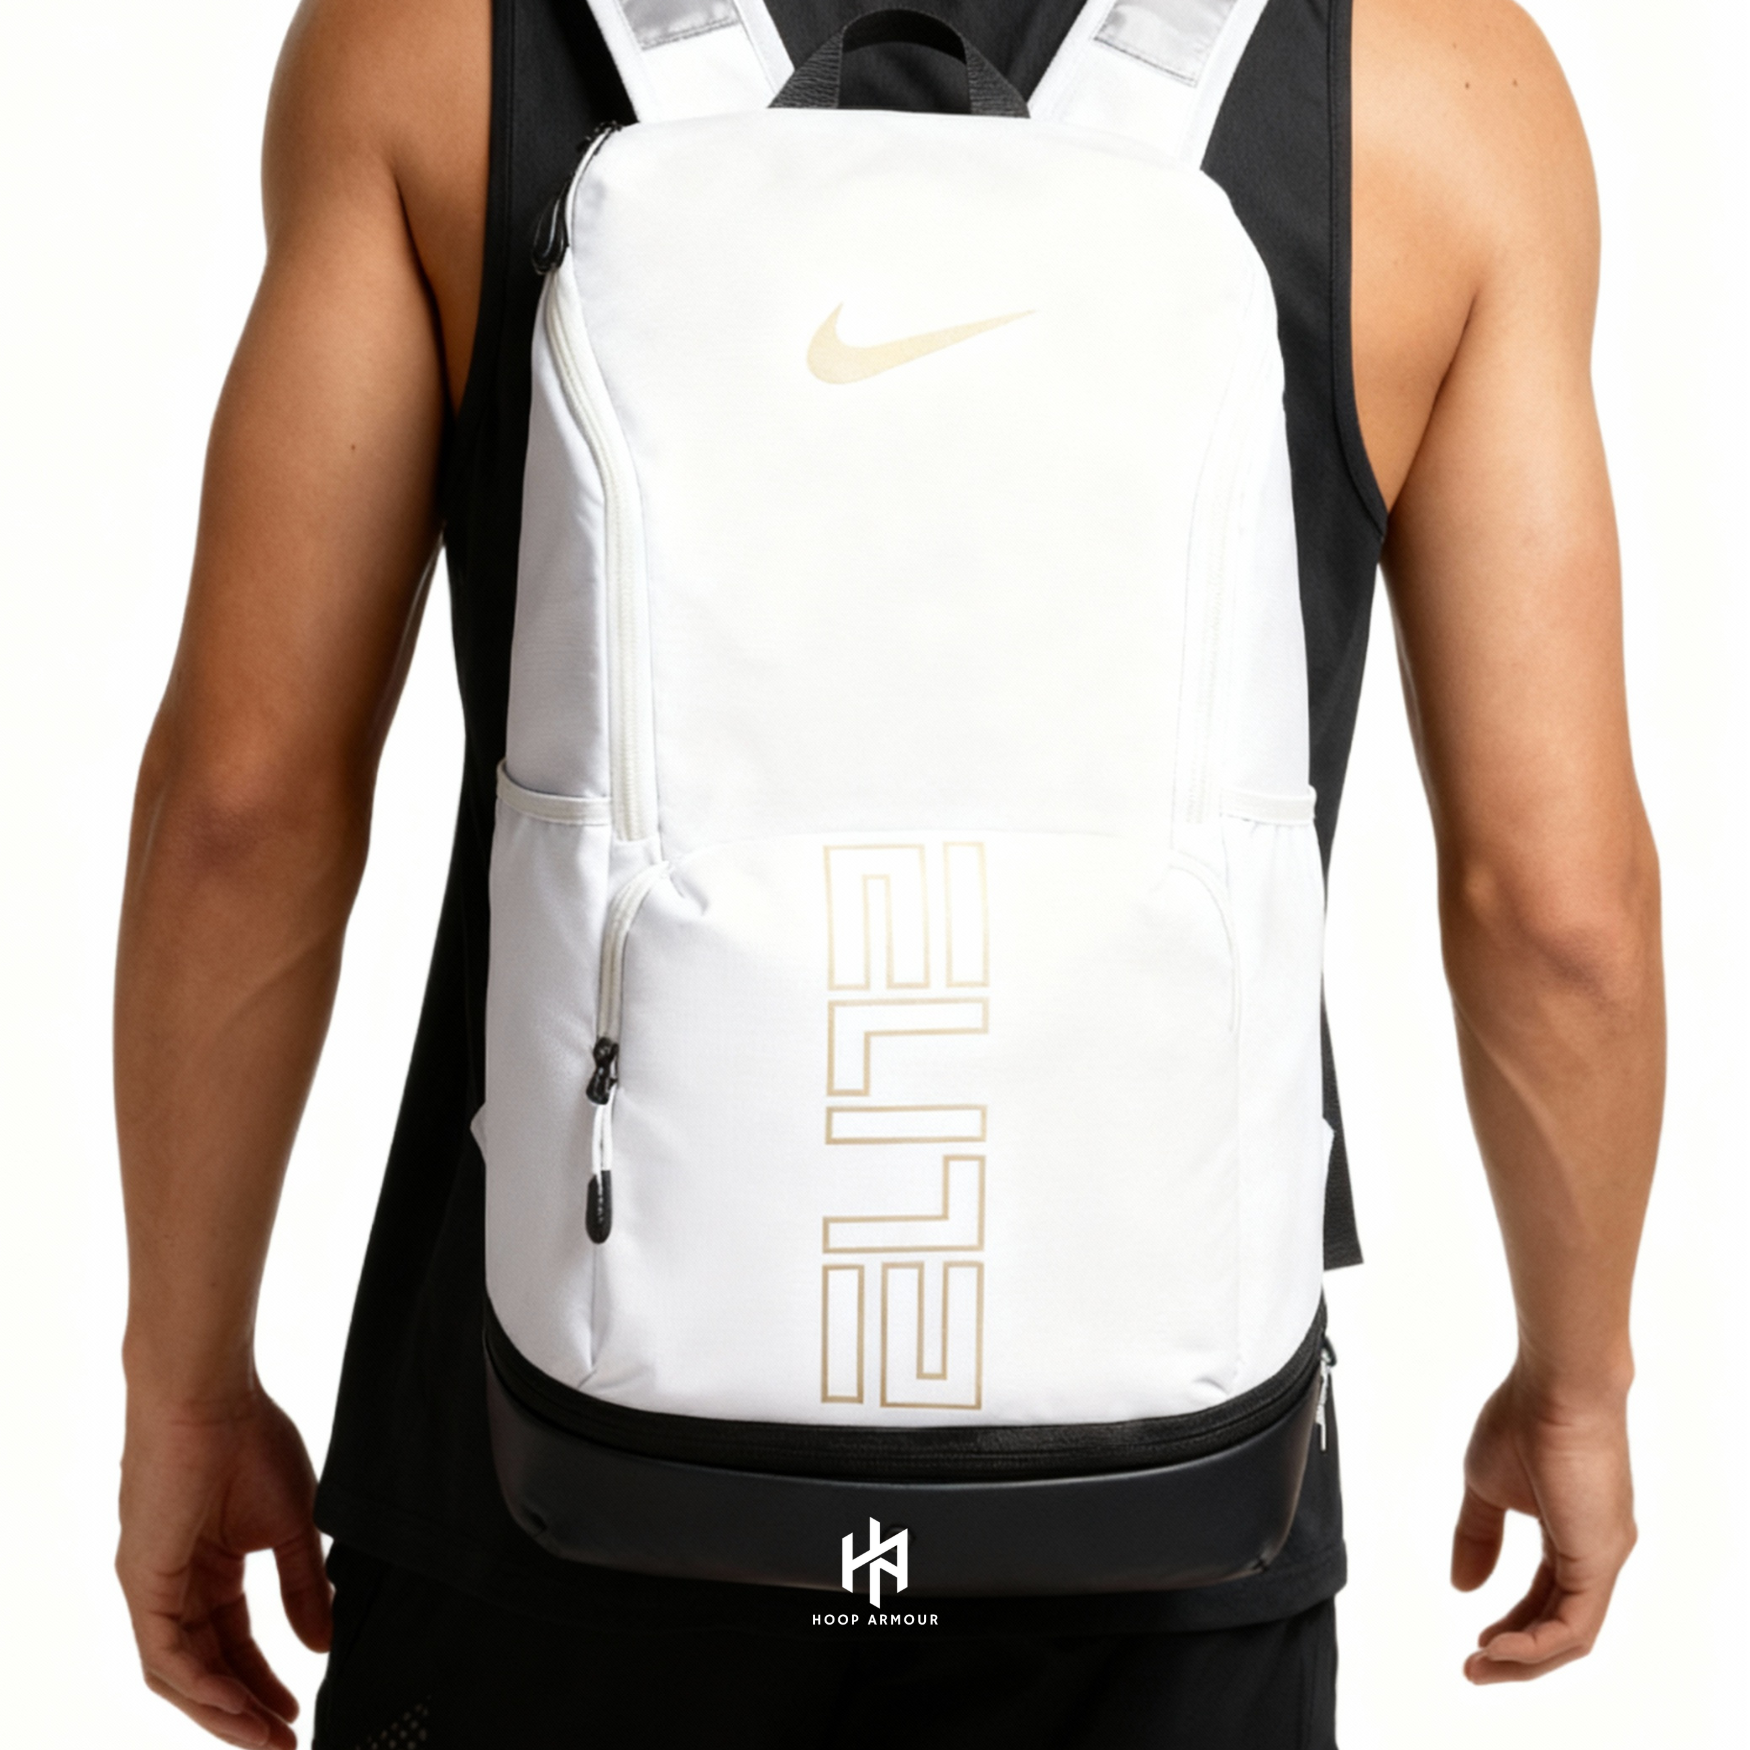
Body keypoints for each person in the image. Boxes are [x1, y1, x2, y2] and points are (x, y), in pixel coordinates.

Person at [112, 1, 1663, 1746]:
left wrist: (183, 1383)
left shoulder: (434, 43)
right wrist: (1576, 1380)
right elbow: (1554, 907)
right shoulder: (1433, 89)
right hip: (1165, 1497)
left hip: (546, 1452)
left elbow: (245, 806)